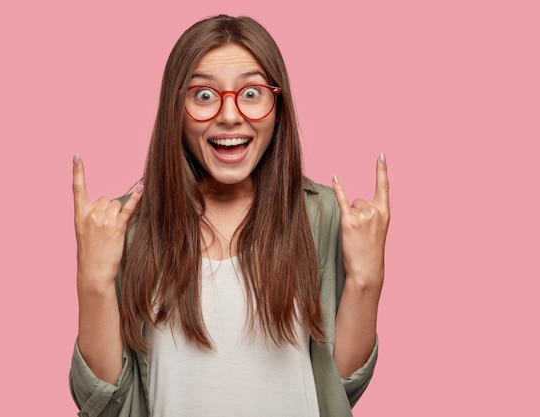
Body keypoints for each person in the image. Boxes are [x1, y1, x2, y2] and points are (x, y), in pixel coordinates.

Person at [69, 14, 390, 417]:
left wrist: (367, 280)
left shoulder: (325, 216)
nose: (230, 115)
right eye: (204, 95)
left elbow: (336, 387)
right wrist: (93, 283)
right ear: (176, 106)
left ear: (279, 105)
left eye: (252, 92)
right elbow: (106, 404)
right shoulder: (123, 226)